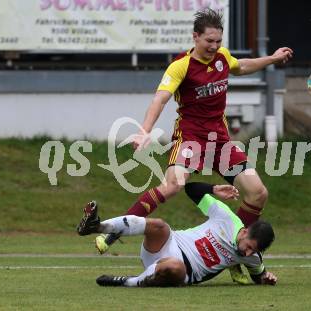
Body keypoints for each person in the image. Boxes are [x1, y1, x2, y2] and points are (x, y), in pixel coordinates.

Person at [84, 7, 293, 283]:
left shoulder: (222, 58)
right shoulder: (180, 66)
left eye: (218, 41)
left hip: (220, 141)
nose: (214, 46)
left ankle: (233, 254)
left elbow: (241, 66)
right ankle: (114, 232)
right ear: (195, 37)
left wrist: (272, 58)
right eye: (209, 41)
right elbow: (159, 99)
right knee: (173, 186)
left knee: (258, 193)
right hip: (191, 138)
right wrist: (144, 131)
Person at [77, 182, 277, 287]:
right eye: (249, 246)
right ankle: (97, 226)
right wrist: (214, 189)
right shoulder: (226, 217)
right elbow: (191, 190)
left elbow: (259, 275)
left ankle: (127, 282)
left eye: (254, 251)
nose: (248, 253)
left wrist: (265, 279)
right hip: (166, 245)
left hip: (180, 272)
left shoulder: (252, 258)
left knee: (175, 266)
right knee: (160, 225)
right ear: (244, 231)